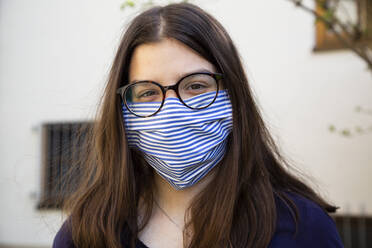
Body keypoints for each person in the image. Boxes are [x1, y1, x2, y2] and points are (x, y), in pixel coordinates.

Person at [53, 2, 344, 248]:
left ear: (234, 95)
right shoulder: (84, 235)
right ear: (124, 109)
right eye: (148, 92)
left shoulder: (302, 231)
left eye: (196, 86)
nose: (172, 110)